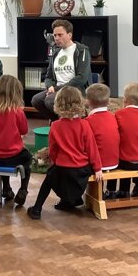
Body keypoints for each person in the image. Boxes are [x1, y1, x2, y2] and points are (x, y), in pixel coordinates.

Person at [27, 86, 102, 220]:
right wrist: (97, 168)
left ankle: (37, 209)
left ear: (58, 104)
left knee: (49, 178)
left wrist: (56, 162)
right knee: (62, 175)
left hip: (62, 168)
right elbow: (92, 148)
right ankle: (72, 200)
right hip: (82, 170)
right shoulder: (84, 124)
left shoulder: (55, 126)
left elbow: (53, 150)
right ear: (80, 103)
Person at [31, 19, 92, 122]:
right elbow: (49, 76)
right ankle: (57, 122)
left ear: (69, 35)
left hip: (75, 90)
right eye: (55, 35)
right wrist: (50, 86)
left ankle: (68, 122)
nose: (56, 38)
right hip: (57, 89)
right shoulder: (56, 53)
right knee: (36, 100)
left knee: (50, 100)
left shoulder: (81, 51)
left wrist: (57, 89)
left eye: (60, 35)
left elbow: (82, 78)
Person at [0, 75, 31, 206]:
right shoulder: (18, 111)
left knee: (1, 154)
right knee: (28, 158)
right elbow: (24, 131)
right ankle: (23, 189)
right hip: (13, 156)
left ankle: (6, 188)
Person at [114, 82, 138, 198]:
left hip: (125, 161)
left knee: (122, 154)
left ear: (125, 100)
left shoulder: (119, 114)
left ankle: (124, 190)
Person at [84, 83, 119, 198]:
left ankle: (97, 194)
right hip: (114, 161)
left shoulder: (88, 121)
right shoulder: (113, 117)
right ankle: (112, 191)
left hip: (98, 164)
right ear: (108, 101)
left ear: (88, 102)